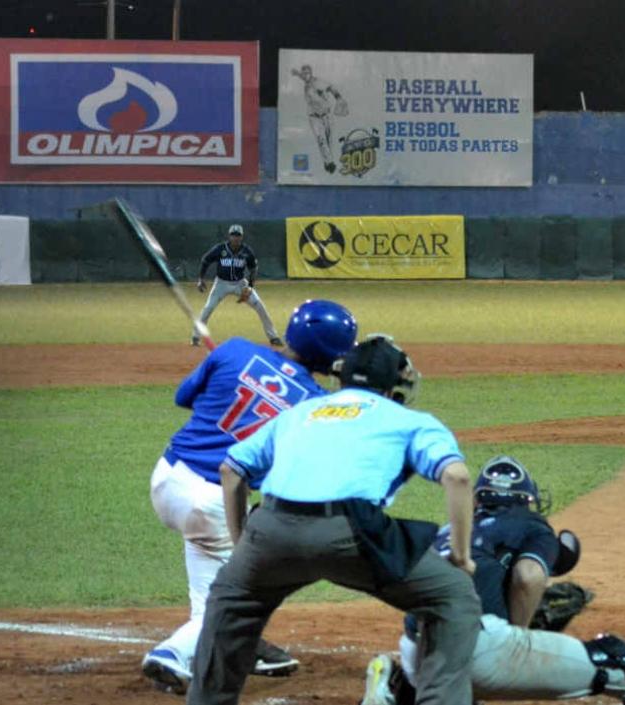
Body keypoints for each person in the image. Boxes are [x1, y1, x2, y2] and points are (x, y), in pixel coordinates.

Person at [187, 335, 482, 705]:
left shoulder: (299, 412)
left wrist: (242, 544)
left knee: (229, 605)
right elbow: (456, 477)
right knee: (452, 597)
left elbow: (232, 470)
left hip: (271, 528)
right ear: (395, 384)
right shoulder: (410, 421)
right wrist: (461, 555)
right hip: (351, 533)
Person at [360, 456, 625, 705]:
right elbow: (529, 576)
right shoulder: (530, 525)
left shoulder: (449, 531)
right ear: (528, 499)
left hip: (417, 650)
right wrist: (517, 637)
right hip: (480, 650)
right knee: (621, 663)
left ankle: (397, 690)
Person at [141, 300, 360, 694]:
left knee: (214, 582)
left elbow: (184, 398)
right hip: (214, 501)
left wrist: (238, 385)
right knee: (239, 594)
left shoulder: (234, 349)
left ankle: (227, 647)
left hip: (167, 478)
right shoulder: (314, 405)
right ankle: (172, 653)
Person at [194, 224, 283, 347]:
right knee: (208, 308)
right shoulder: (220, 249)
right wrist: (201, 279)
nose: (235, 238)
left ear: (242, 237)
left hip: (240, 283)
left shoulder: (247, 251)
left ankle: (273, 337)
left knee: (260, 306)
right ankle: (196, 337)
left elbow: (253, 268)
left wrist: (250, 287)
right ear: (229, 236)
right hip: (221, 283)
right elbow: (205, 260)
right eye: (233, 235)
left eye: (238, 235)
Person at [292, 64, 349, 174]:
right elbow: (302, 77)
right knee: (321, 140)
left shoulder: (318, 82)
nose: (305, 75)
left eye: (307, 73)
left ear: (311, 73)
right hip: (314, 117)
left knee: (329, 141)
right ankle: (330, 163)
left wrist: (339, 98)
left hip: (327, 115)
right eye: (303, 73)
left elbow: (331, 88)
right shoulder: (306, 82)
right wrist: (296, 73)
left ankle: (327, 161)